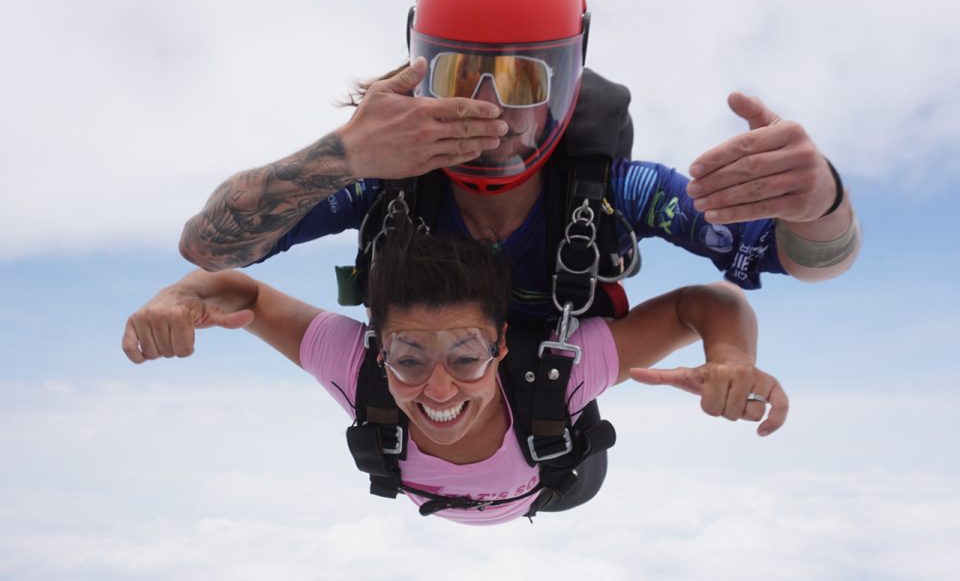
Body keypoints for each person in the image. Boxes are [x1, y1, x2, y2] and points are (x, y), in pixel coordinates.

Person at [178, 0, 860, 299]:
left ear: (567, 81)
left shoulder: (613, 191)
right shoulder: (383, 182)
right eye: (456, 74)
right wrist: (344, 156)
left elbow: (798, 260)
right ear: (419, 73)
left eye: (521, 77)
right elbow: (208, 246)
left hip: (550, 441)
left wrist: (822, 199)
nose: (488, 106)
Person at [124, 225, 787, 525]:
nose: (438, 389)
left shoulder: (555, 376)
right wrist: (181, 295)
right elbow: (248, 295)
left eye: (465, 355)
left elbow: (711, 303)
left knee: (576, 472)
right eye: (409, 357)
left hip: (560, 483)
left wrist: (729, 356)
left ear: (502, 347)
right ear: (378, 349)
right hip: (508, 479)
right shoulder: (356, 365)